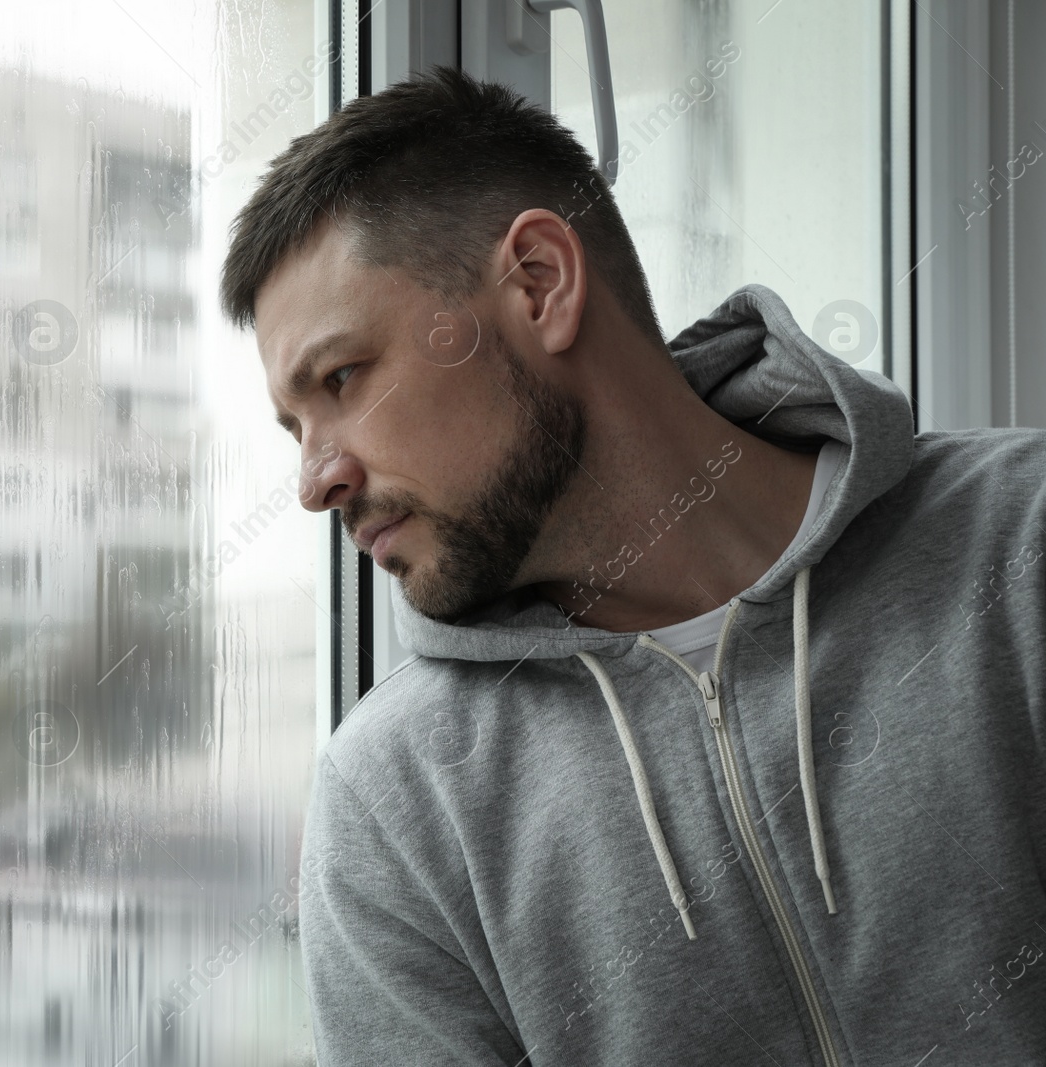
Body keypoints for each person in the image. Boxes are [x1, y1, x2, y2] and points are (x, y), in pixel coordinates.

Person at [220, 67, 1046, 1066]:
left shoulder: (1017, 549)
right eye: (293, 426)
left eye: (341, 378)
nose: (314, 480)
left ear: (538, 283)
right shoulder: (400, 799)